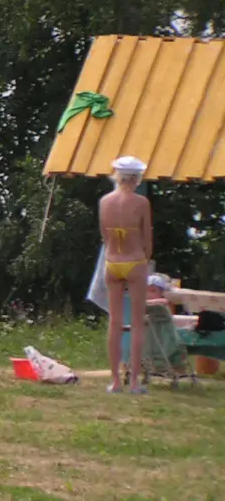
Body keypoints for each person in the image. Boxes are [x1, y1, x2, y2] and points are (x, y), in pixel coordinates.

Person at [100, 154, 153, 394]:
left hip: (112, 262)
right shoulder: (141, 202)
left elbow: (104, 236)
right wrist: (144, 261)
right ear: (137, 178)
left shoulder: (105, 201)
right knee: (137, 323)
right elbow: (147, 239)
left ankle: (114, 381)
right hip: (134, 261)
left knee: (115, 322)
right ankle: (133, 383)